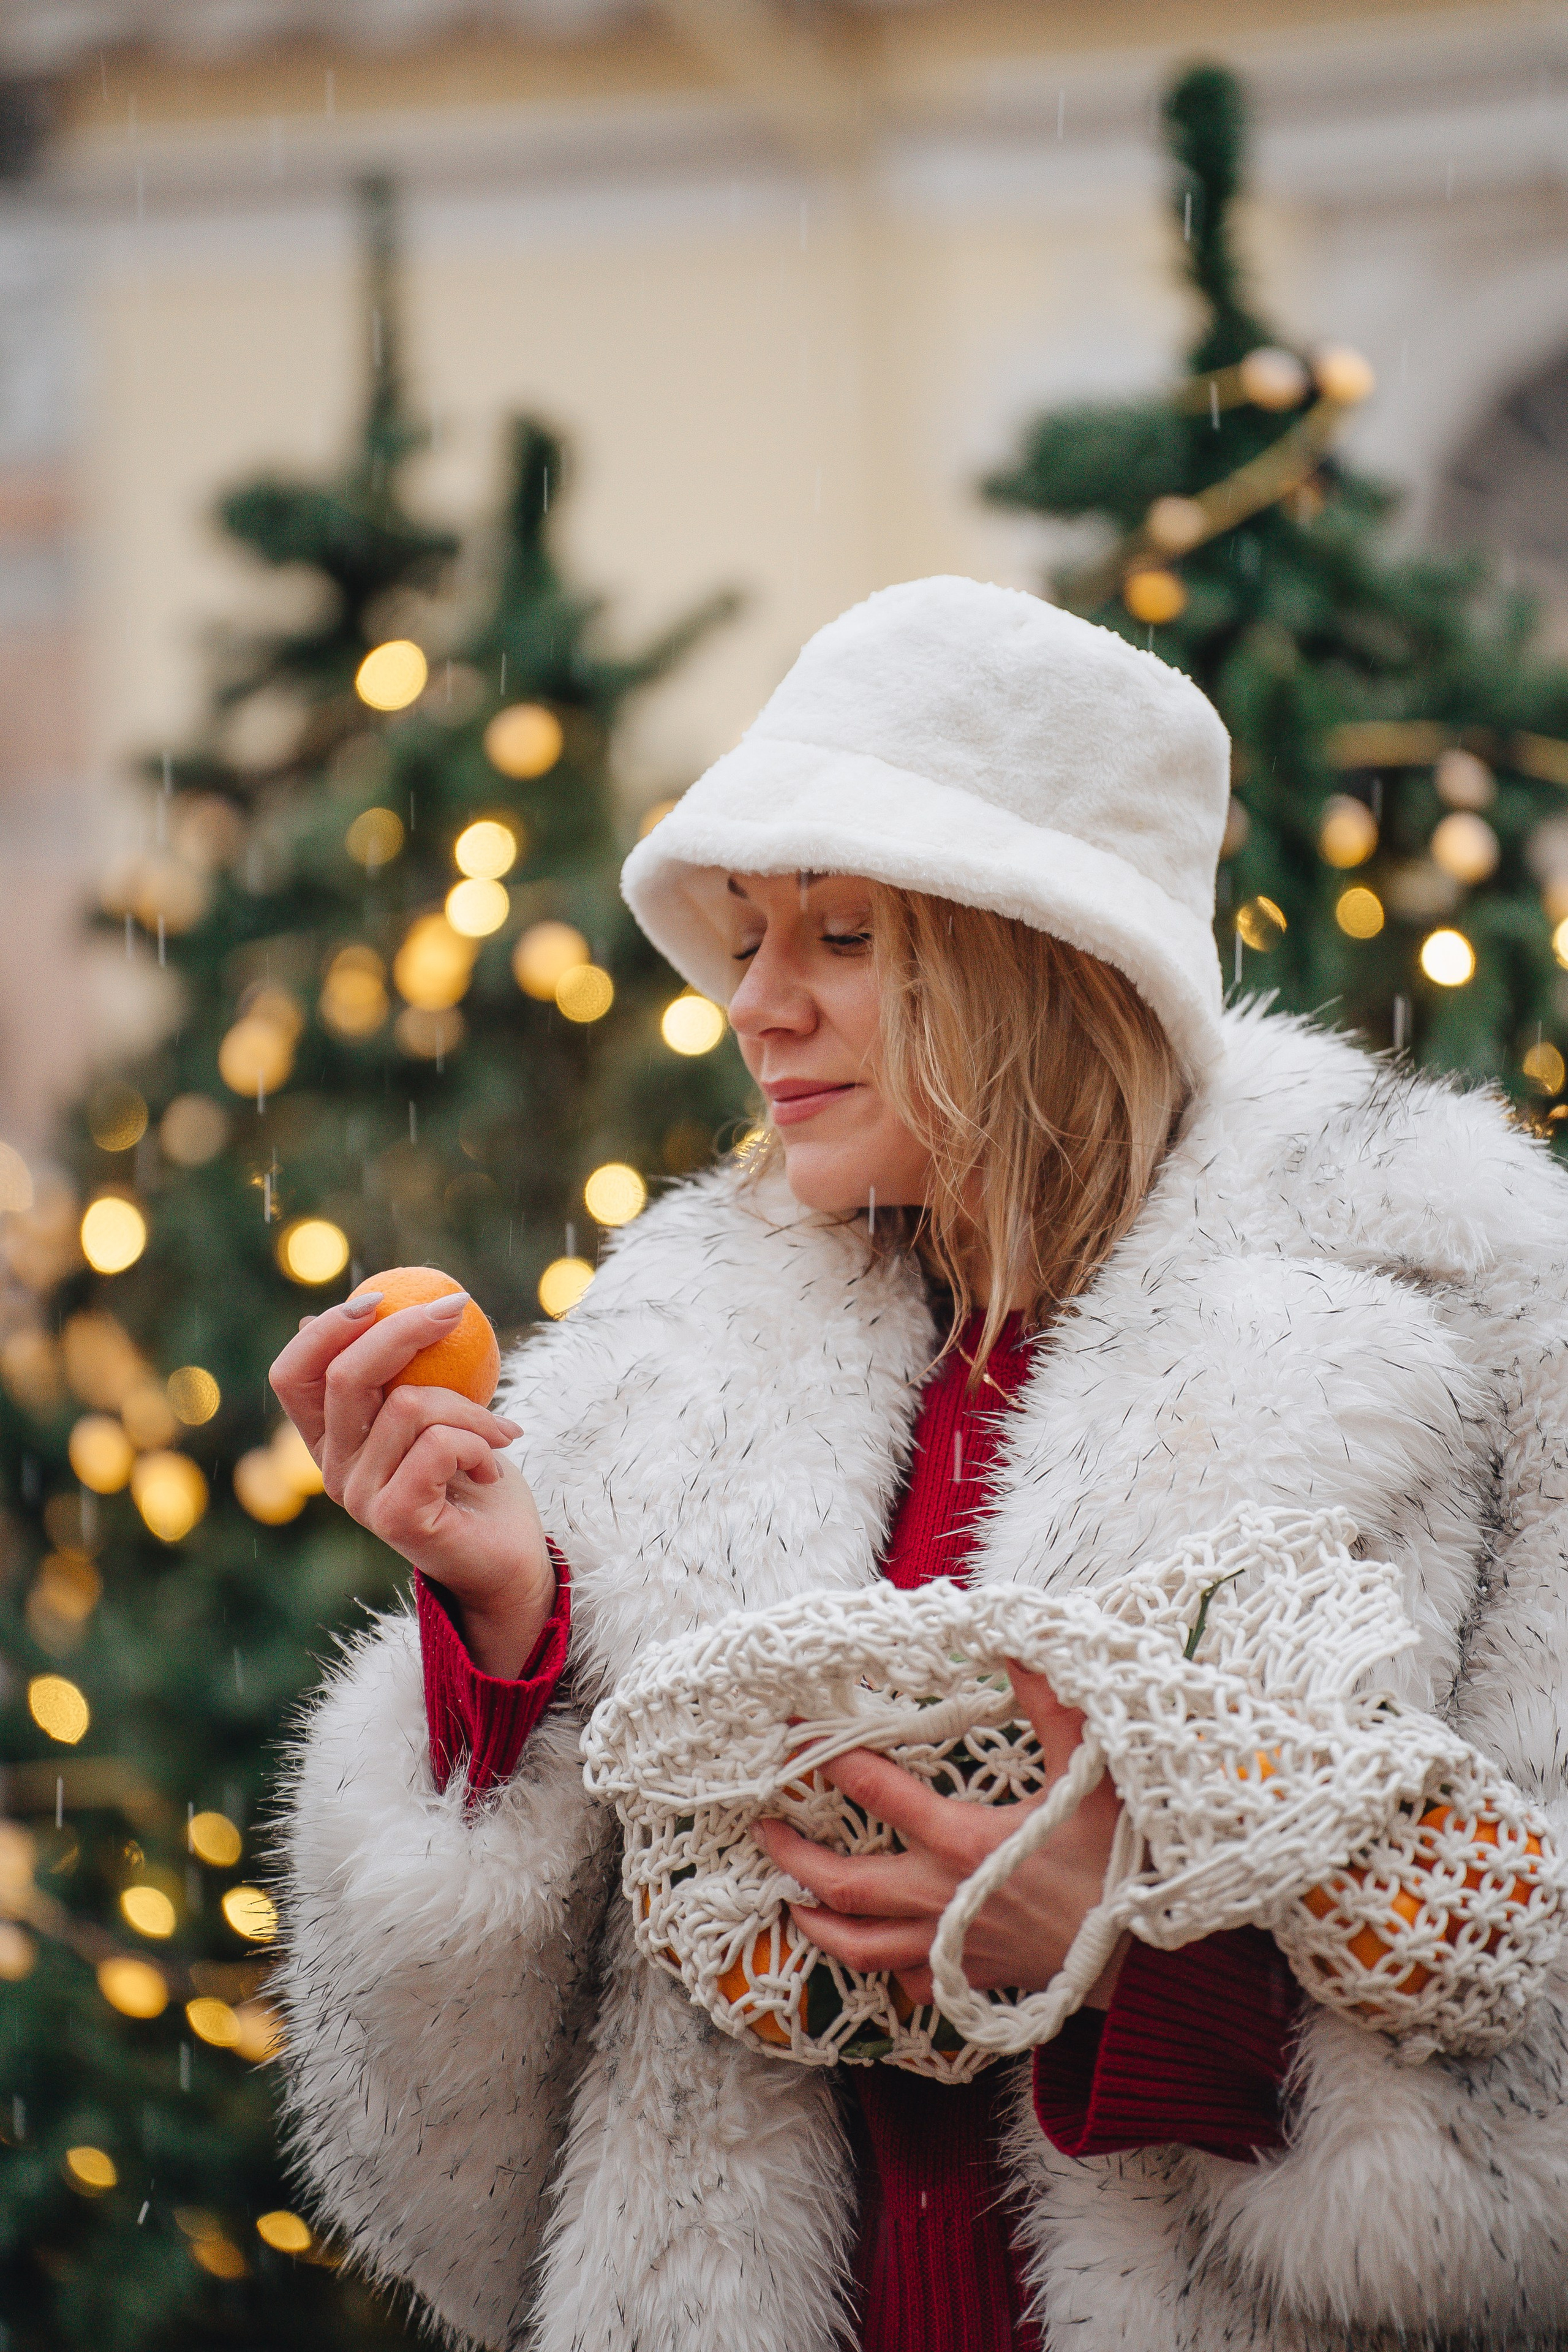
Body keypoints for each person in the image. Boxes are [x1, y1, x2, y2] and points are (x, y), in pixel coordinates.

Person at [273, 577, 1568, 2352]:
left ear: (1037, 949)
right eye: (749, 939)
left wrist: (1126, 1965)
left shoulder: (1465, 1316)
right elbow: (451, 2178)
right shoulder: (665, 1364)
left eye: (843, 938)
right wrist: (507, 1632)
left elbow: (1531, 2095)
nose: (756, 1006)